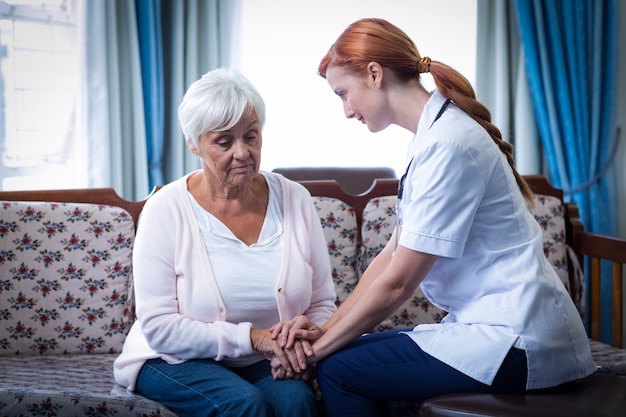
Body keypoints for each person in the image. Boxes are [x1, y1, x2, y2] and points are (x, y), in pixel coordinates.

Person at [269, 18, 596, 417]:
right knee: (342, 355)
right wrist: (326, 330)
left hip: (520, 340)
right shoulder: (430, 139)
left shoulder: (449, 144)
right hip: (495, 331)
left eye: (343, 93)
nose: (346, 110)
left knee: (339, 368)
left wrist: (315, 354)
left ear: (374, 74)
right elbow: (389, 258)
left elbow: (400, 282)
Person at [113, 68, 337, 417]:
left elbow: (323, 302)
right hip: (174, 358)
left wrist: (305, 342)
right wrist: (256, 338)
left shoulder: (295, 198)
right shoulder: (165, 210)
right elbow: (158, 326)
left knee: (298, 402)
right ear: (193, 144)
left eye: (251, 136)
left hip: (264, 358)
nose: (243, 152)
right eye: (224, 141)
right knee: (243, 404)